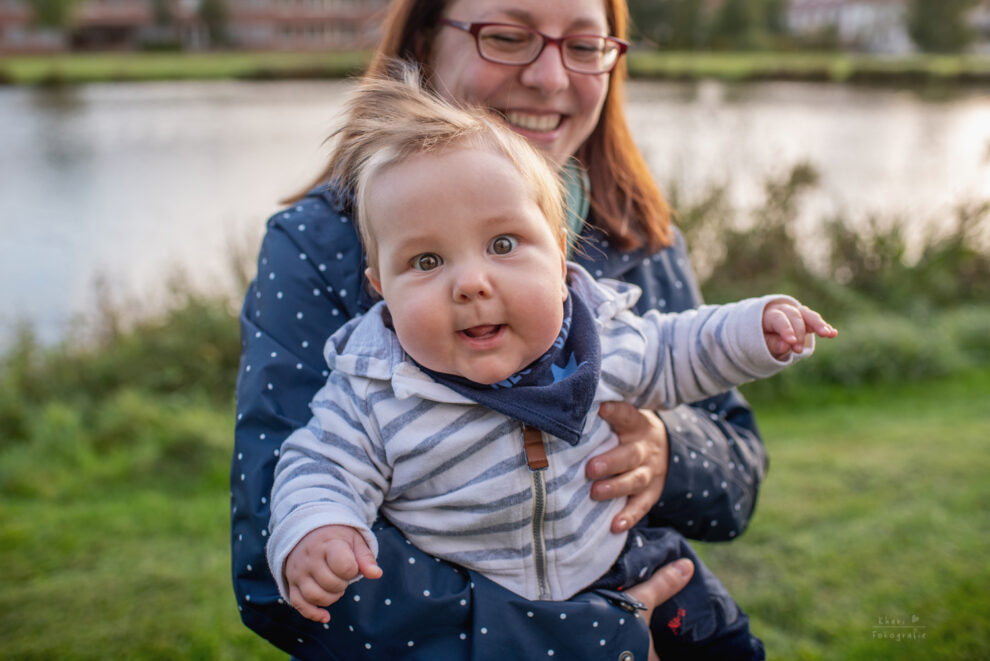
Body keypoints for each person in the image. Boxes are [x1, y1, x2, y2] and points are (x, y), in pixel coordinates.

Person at [233, 0, 784, 658]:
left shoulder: (639, 230)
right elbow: (280, 560)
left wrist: (666, 450)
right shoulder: (320, 247)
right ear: (424, 42)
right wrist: (588, 639)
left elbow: (738, 473)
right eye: (507, 36)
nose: (550, 78)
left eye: (584, 45)